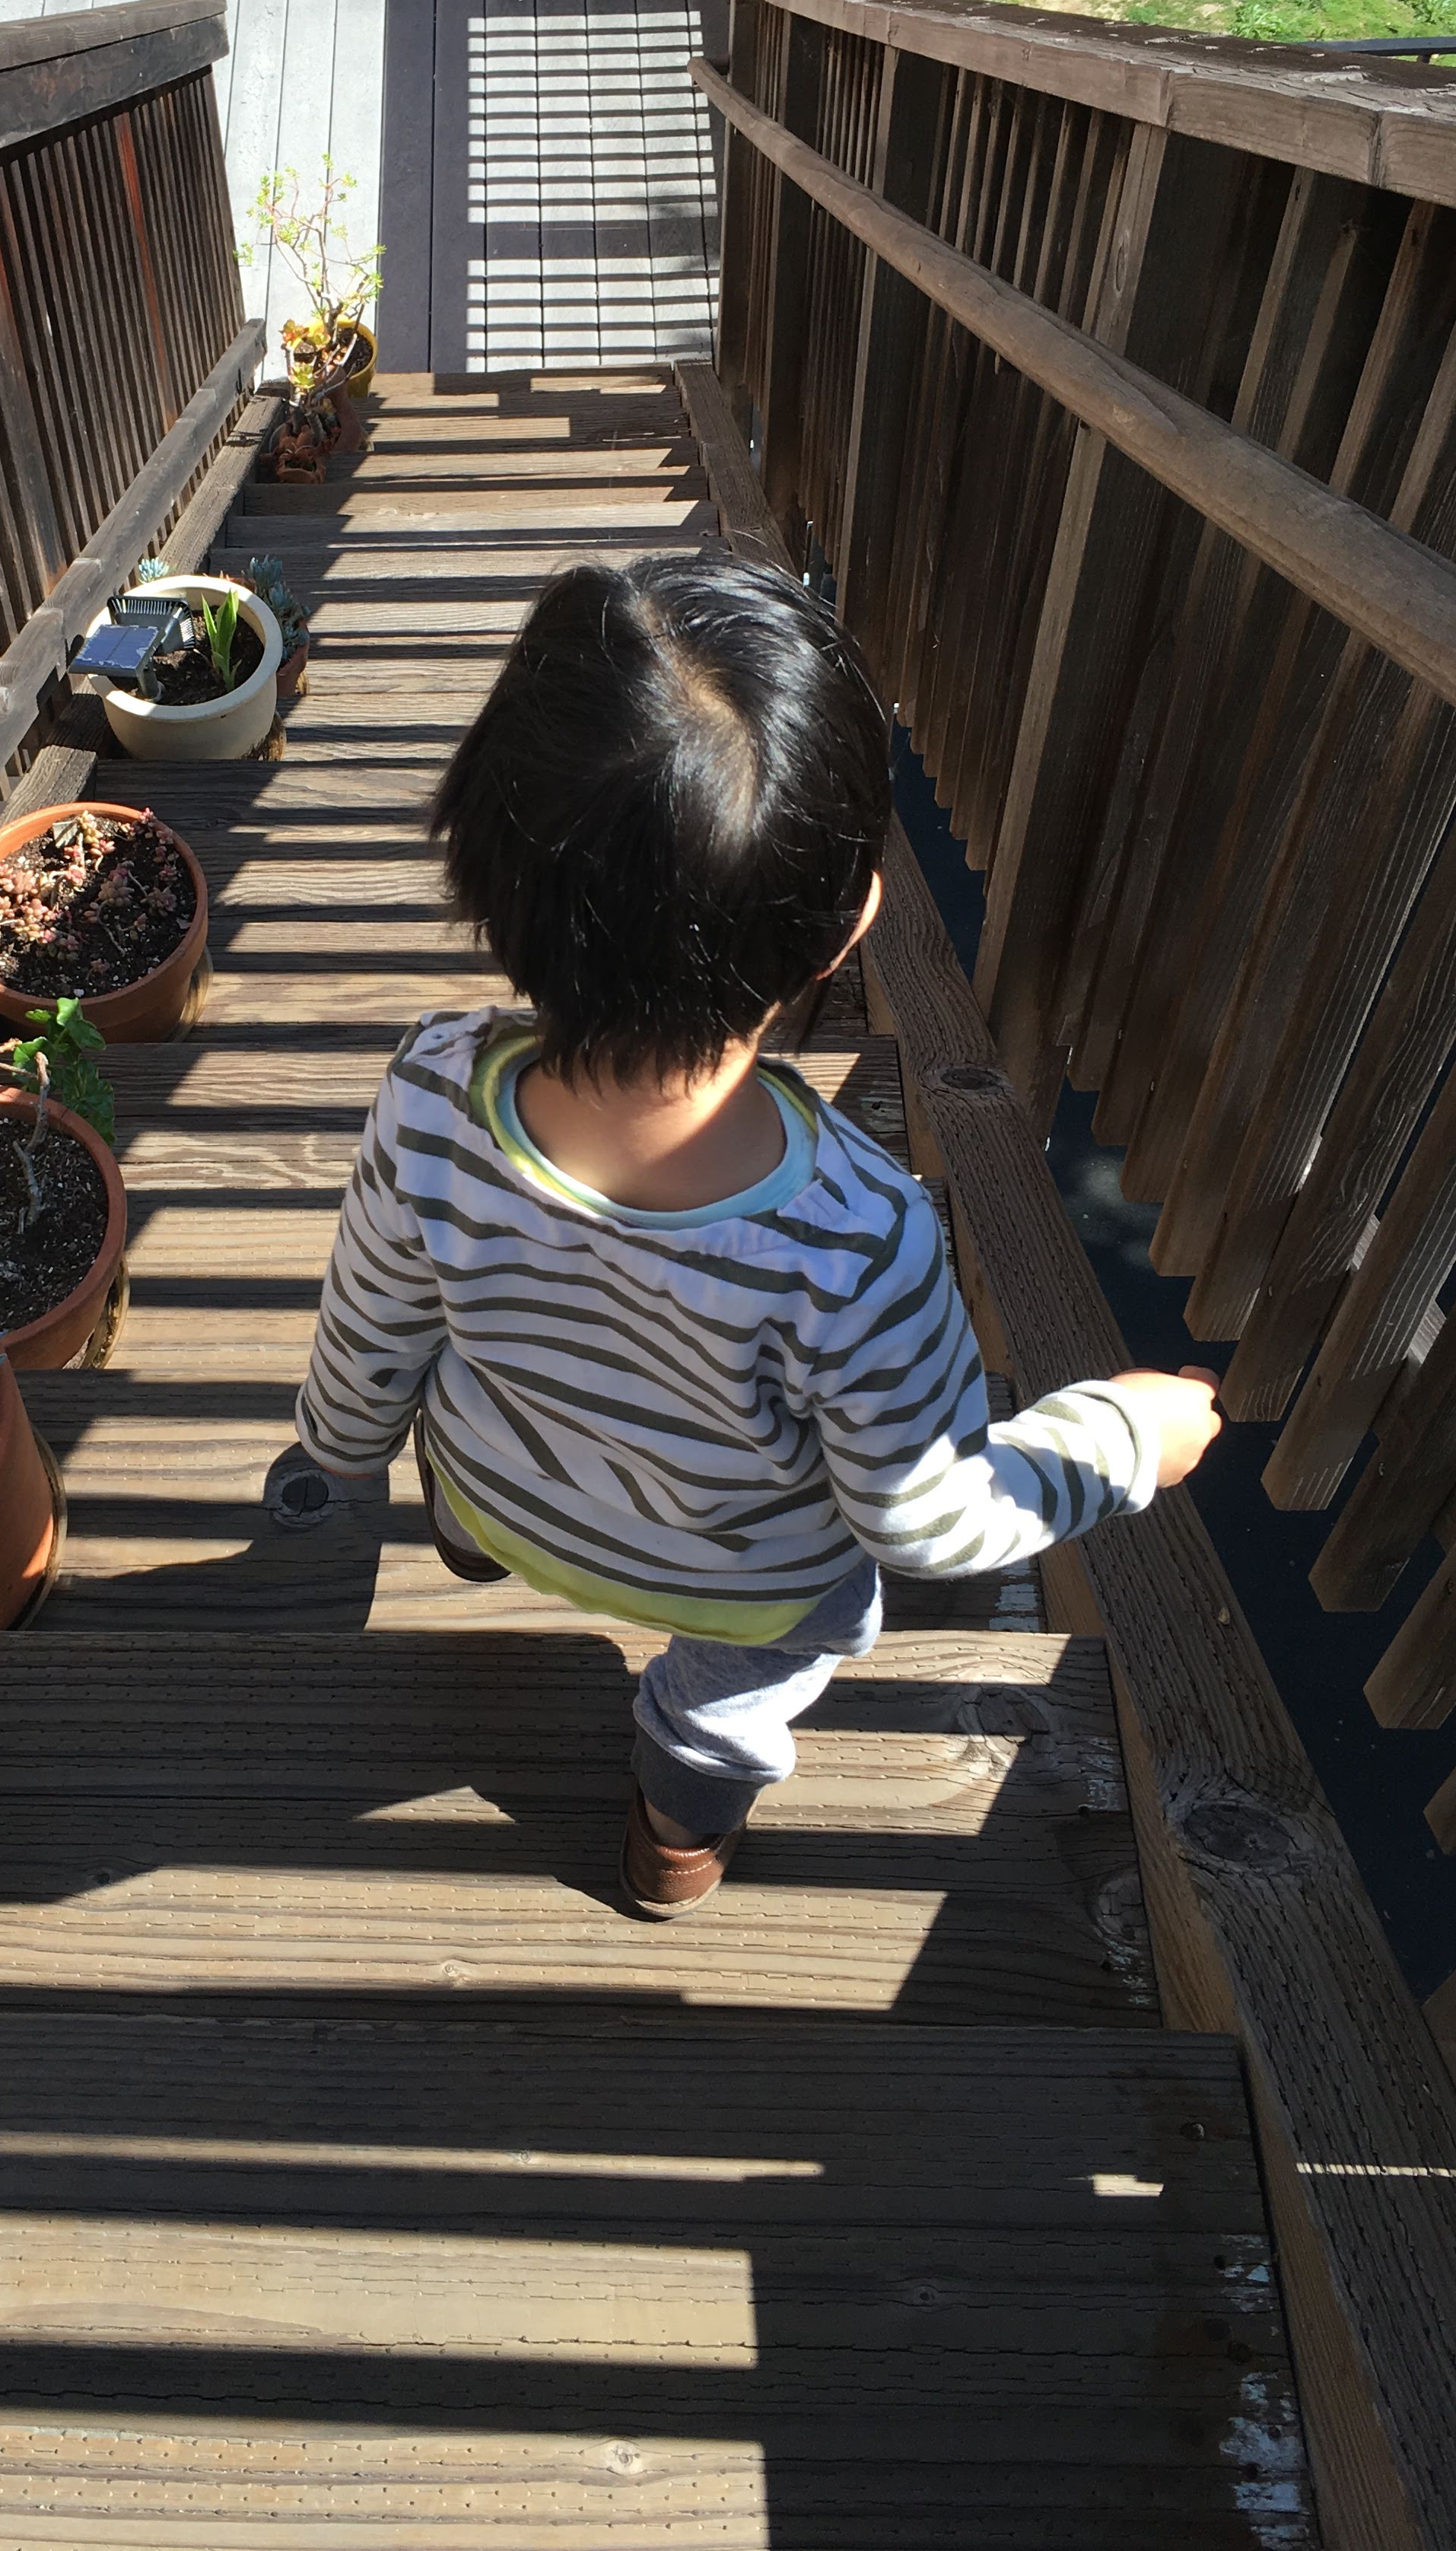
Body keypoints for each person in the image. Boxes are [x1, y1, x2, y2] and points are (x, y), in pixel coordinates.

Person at [274, 549, 1222, 1920]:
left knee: (482, 1497)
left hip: (493, 1482)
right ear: (844, 929)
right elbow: (933, 1520)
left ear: (483, 861)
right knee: (774, 1661)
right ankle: (673, 1842)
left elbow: (374, 1324)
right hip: (737, 1583)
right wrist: (1127, 1437)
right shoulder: (860, 1242)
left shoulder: (427, 1092)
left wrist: (336, 1453)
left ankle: (478, 1558)